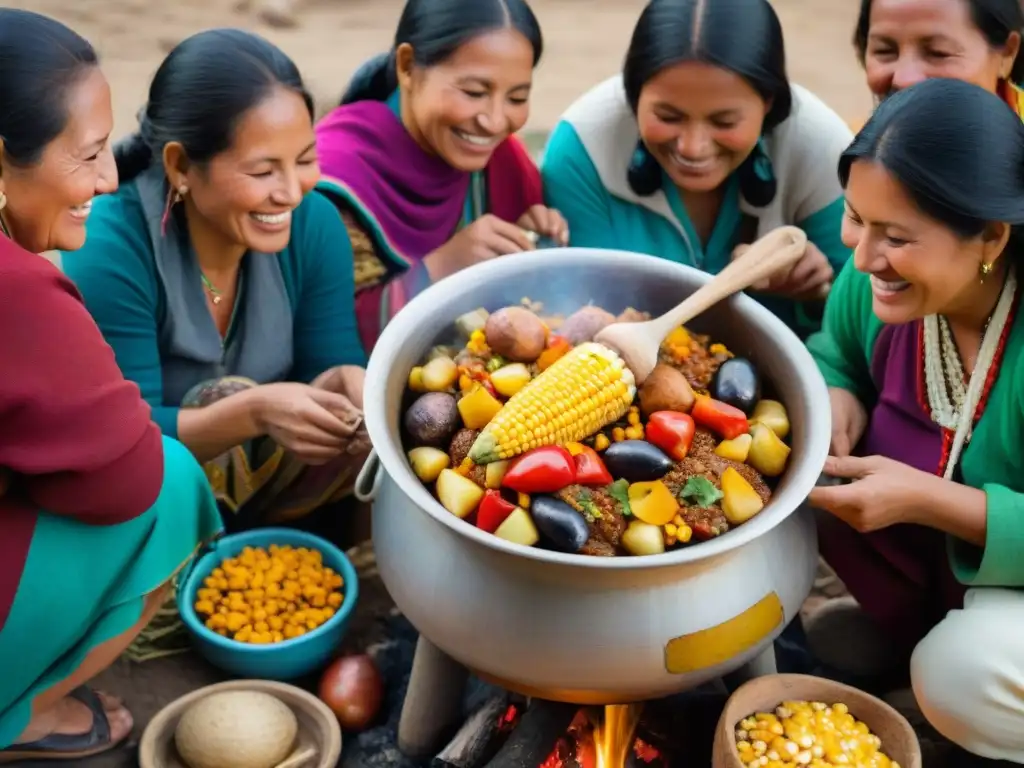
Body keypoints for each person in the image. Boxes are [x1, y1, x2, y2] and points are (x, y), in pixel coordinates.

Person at [0, 10, 221, 761]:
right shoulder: (19, 292)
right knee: (173, 488)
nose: (107, 178)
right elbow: (124, 484)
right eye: (88, 155)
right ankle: (20, 712)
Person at [62, 30, 370, 532]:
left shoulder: (315, 224)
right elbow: (121, 438)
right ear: (181, 166)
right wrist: (251, 413)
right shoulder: (112, 245)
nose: (292, 191)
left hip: (273, 485)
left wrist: (346, 381)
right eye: (263, 171)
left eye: (305, 160)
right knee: (221, 395)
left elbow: (330, 358)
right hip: (153, 500)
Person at [807, 78, 1024, 764]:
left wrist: (931, 500)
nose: (864, 256)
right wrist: (838, 391)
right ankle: (906, 632)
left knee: (963, 671)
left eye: (896, 237)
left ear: (991, 234)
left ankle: (932, 654)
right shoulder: (875, 279)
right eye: (854, 218)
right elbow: (833, 349)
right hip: (955, 585)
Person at [540, 0, 853, 338]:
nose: (693, 147)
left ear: (768, 102)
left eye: (724, 121)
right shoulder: (582, 149)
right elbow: (583, 304)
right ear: (633, 94)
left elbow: (857, 322)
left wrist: (818, 291)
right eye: (668, 117)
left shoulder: (821, 149)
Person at [314, 0, 568, 352]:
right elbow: (321, 337)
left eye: (516, 97)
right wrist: (442, 267)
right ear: (407, 67)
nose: (495, 121)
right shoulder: (335, 178)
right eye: (474, 93)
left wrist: (532, 235)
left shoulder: (503, 159)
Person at [853, 0, 1022, 113]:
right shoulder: (850, 153)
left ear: (1007, 53)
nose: (903, 79)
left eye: (937, 53)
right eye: (885, 51)